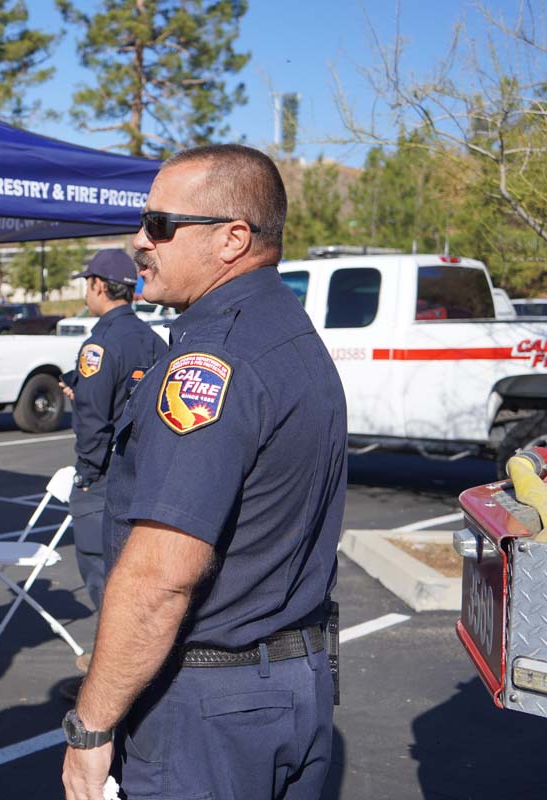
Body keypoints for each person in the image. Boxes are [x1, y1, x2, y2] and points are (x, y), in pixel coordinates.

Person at [61, 144, 345, 800]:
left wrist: (90, 729)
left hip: (210, 710)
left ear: (232, 239)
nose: (140, 241)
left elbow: (160, 577)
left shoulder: (211, 363)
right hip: (294, 685)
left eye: (160, 224)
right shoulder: (288, 333)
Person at [57, 249, 165, 702]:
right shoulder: (154, 339)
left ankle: (115, 689)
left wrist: (86, 474)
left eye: (88, 284)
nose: (87, 292)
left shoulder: (99, 344)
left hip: (105, 480)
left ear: (99, 285)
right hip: (146, 475)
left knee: (105, 581)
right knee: (137, 581)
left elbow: (93, 422)